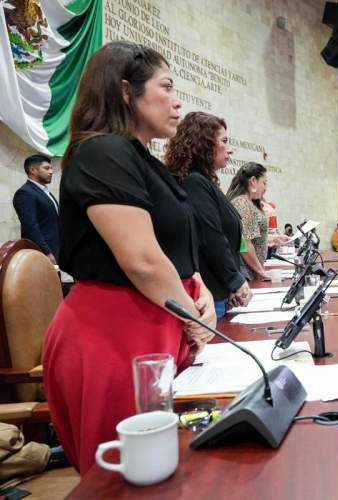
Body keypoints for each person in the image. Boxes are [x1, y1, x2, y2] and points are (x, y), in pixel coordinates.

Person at [43, 42, 217, 474]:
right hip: (115, 336)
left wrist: (202, 290)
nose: (177, 100)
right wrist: (191, 314)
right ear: (126, 92)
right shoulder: (103, 152)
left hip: (156, 324)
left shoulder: (140, 159)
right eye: (166, 86)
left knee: (169, 470)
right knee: (128, 477)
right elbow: (141, 259)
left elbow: (174, 248)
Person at [165, 112, 251, 318]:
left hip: (220, 292)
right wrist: (235, 281)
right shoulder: (194, 182)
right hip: (210, 297)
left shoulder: (204, 182)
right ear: (204, 144)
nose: (230, 149)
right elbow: (211, 237)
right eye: (224, 141)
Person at [227, 163, 289, 280]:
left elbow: (252, 237)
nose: (265, 188)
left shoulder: (247, 202)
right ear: (253, 181)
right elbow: (245, 244)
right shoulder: (243, 203)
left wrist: (273, 238)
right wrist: (261, 271)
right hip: (245, 273)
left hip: (250, 271)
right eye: (264, 183)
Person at [12, 154, 60, 263]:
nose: (51, 172)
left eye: (51, 168)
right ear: (33, 170)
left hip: (54, 249)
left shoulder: (45, 191)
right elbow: (31, 226)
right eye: (46, 168)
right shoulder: (25, 193)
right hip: (40, 252)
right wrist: (47, 252)